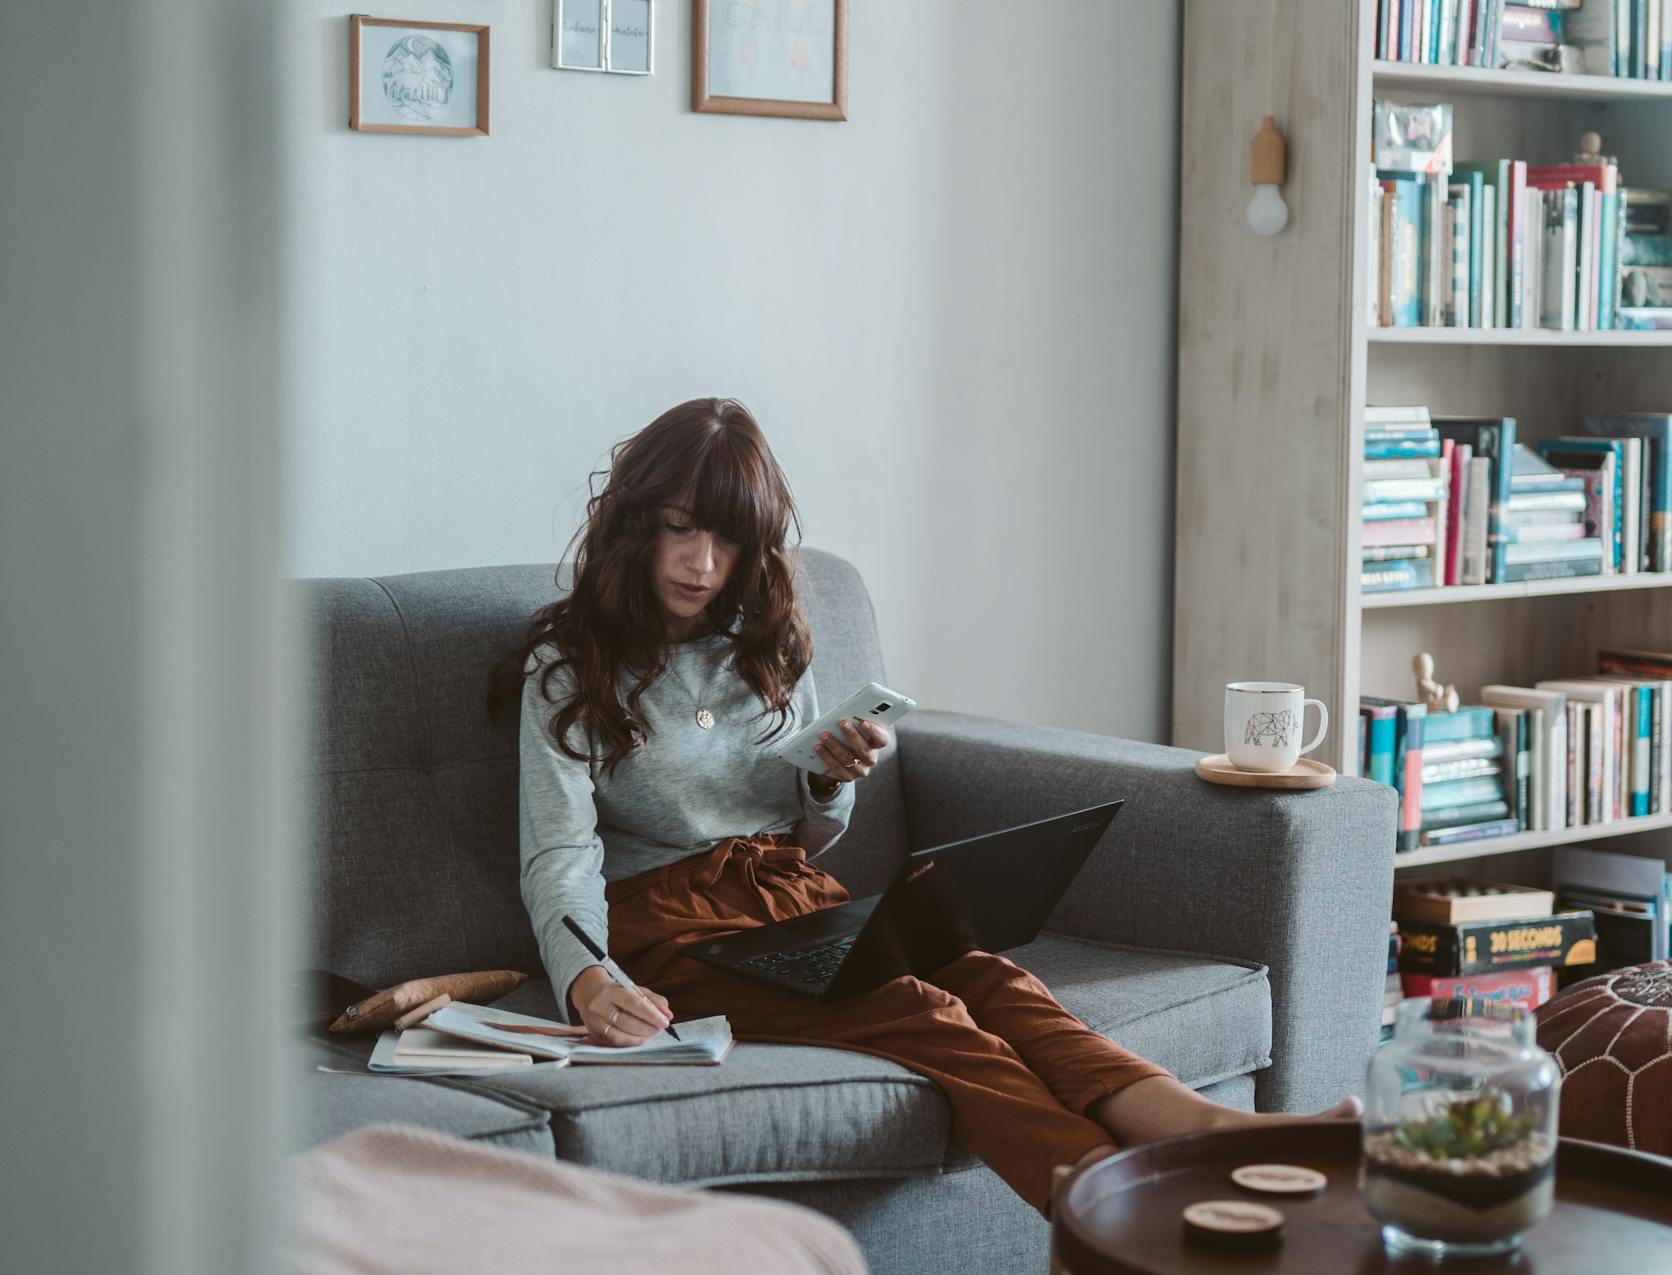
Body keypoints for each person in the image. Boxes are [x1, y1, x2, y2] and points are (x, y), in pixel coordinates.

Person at [492, 398, 1352, 1212]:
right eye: (679, 529)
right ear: (637, 522)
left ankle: (1212, 1133)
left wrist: (829, 779)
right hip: (670, 932)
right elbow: (559, 852)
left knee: (987, 975)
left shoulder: (763, 646)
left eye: (727, 539)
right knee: (920, 1011)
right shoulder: (569, 671)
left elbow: (811, 832)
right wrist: (588, 979)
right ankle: (1111, 1203)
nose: (701, 564)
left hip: (790, 897)